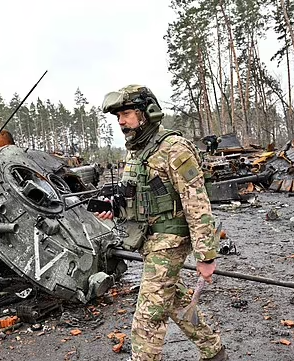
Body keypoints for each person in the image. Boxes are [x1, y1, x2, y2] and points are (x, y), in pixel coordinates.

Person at [95, 84, 228, 361]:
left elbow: (197, 202)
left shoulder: (174, 148)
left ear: (147, 113)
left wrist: (206, 255)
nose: (121, 121)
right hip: (149, 239)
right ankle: (214, 351)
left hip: (171, 239)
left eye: (127, 114)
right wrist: (114, 207)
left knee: (148, 316)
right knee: (175, 300)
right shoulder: (136, 151)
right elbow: (137, 198)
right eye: (118, 116)